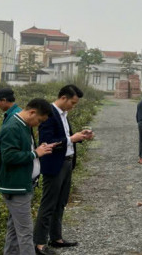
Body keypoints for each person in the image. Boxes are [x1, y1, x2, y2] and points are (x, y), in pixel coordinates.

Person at [33, 85, 94, 255]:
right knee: (48, 204)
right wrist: (70, 139)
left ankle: (56, 237)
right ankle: (39, 243)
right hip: (54, 165)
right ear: (63, 98)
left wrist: (79, 136)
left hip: (66, 163)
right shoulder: (49, 114)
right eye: (72, 103)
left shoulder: (63, 115)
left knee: (61, 202)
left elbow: (65, 138)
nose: (73, 106)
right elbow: (46, 142)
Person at [0, 98, 55, 255]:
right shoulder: (12, 127)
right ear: (32, 112)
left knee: (14, 230)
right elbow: (9, 157)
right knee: (26, 232)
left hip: (22, 184)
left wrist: (38, 150)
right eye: (39, 120)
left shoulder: (23, 125)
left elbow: (23, 150)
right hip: (16, 187)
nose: (38, 124)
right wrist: (35, 153)